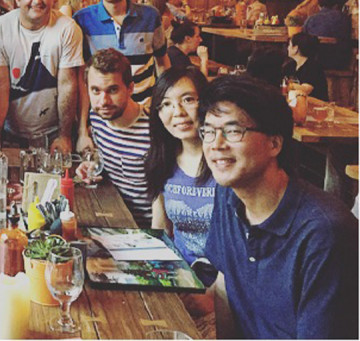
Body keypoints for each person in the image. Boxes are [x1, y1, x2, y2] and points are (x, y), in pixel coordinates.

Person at [200, 75, 358, 339]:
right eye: (208, 131)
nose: (216, 144)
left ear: (274, 143)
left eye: (233, 131)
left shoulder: (325, 233)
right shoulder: (228, 195)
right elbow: (225, 285)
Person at [75, 0, 170, 153]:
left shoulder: (150, 16)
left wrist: (164, 105)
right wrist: (82, 129)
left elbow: (163, 62)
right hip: (102, 120)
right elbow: (82, 79)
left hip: (146, 116)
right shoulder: (82, 20)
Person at [0, 0, 84, 153]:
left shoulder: (67, 28)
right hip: (10, 132)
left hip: (53, 133)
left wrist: (64, 136)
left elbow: (67, 84)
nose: (37, 0)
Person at [76, 48, 153, 226]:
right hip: (111, 215)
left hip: (144, 228)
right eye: (96, 91)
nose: (104, 101)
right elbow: (112, 163)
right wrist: (94, 167)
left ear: (130, 88)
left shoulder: (153, 128)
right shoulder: (98, 117)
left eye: (112, 90)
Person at [146, 68, 214, 265]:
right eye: (166, 104)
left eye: (188, 100)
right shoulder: (161, 160)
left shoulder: (225, 161)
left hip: (225, 276)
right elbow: (161, 229)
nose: (178, 113)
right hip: (183, 271)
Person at [303, 0, 352, 69]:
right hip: (339, 61)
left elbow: (304, 37)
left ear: (319, 6)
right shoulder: (344, 18)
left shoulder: (310, 19)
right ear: (336, 5)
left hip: (314, 61)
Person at [283, 32, 328, 101]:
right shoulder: (290, 66)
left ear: (296, 49)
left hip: (315, 105)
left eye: (289, 45)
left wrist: (287, 85)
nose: (288, 48)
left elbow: (306, 90)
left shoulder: (313, 67)